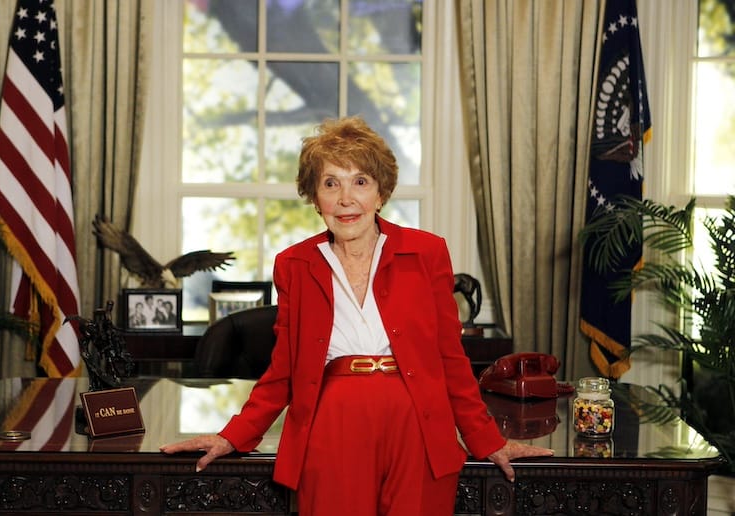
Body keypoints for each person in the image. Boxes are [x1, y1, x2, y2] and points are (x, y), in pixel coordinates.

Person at [160, 116, 553, 516]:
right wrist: (232, 436)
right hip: (332, 427)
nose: (346, 199)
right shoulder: (294, 265)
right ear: (316, 198)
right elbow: (284, 371)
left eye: (360, 182)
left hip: (418, 426)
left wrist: (487, 439)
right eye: (331, 183)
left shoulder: (427, 253)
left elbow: (450, 358)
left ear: (381, 193)